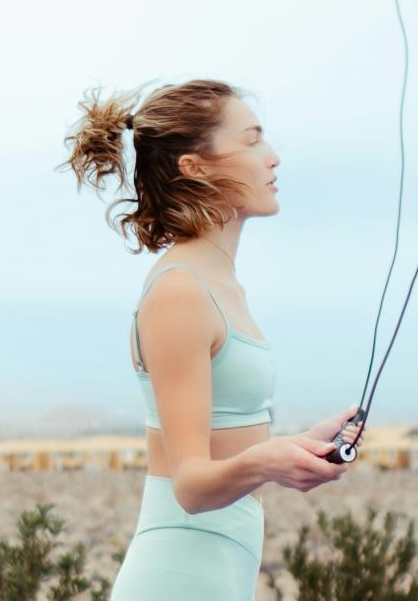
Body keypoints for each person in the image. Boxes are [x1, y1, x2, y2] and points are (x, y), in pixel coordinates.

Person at [58, 78, 363, 599]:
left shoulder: (218, 284)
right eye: (251, 140)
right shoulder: (180, 292)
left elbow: (224, 450)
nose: (272, 158)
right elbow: (192, 486)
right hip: (179, 575)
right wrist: (270, 460)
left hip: (215, 573)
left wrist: (299, 447)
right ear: (195, 168)